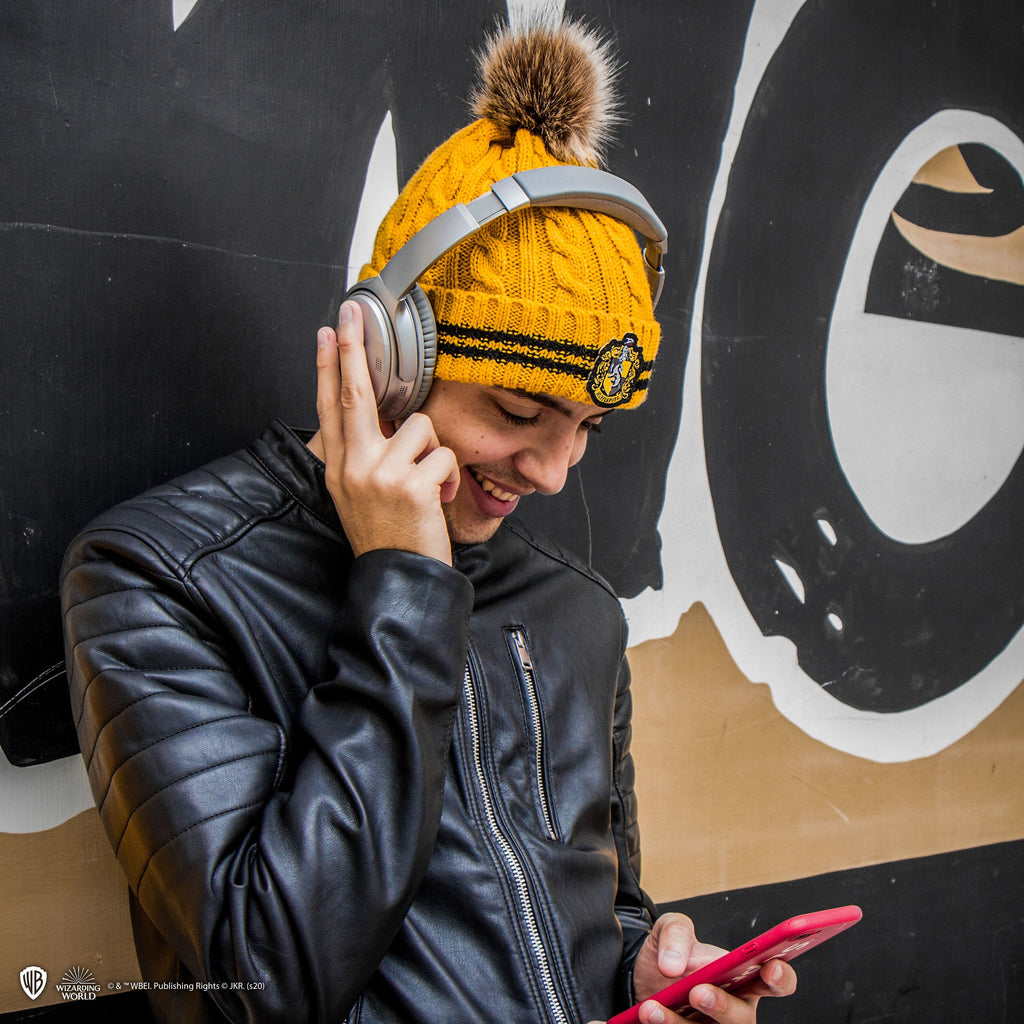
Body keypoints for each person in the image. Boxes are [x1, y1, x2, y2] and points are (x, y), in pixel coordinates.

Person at [61, 14, 796, 1024]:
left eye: (585, 427)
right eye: (515, 412)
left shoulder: (577, 612)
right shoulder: (155, 579)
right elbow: (275, 975)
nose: (550, 470)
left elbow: (576, 917)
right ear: (386, 354)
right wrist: (403, 590)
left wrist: (638, 971)